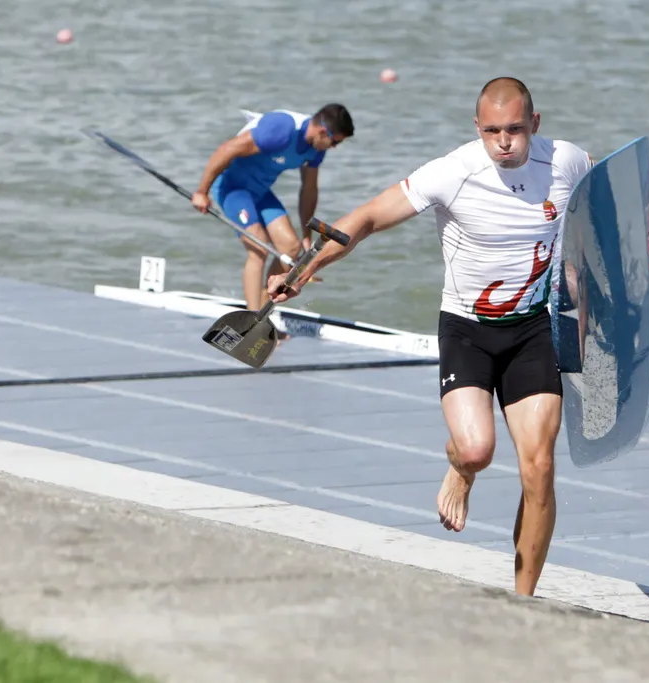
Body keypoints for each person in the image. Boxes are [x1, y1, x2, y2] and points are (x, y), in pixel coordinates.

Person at [267, 77, 593, 597]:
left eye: (514, 129)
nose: (503, 142)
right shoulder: (452, 172)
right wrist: (302, 267)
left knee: (540, 466)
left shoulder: (569, 163)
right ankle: (461, 469)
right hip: (467, 330)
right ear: (477, 128)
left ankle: (525, 604)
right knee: (478, 448)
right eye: (492, 131)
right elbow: (368, 218)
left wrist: (590, 295)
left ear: (535, 123)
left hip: (533, 328)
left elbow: (595, 224)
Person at [191, 104, 354, 311]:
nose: (334, 147)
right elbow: (227, 149)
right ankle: (251, 320)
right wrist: (201, 192)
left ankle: (262, 305)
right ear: (323, 132)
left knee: (292, 248)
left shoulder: (315, 150)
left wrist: (306, 235)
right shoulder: (281, 130)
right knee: (259, 248)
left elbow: (309, 190)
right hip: (232, 188)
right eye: (335, 142)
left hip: (260, 192)